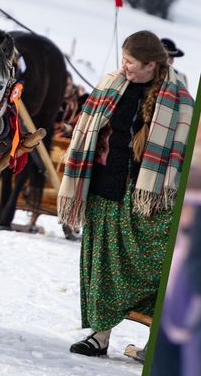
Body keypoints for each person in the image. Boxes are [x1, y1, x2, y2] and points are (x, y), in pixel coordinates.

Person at [59, 30, 193, 357]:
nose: (125, 67)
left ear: (151, 65)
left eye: (131, 63)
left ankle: (158, 341)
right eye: (123, 60)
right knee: (102, 261)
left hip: (150, 195)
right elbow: (87, 129)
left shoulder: (179, 99)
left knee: (163, 266)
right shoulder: (110, 84)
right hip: (105, 186)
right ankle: (100, 336)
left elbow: (184, 151)